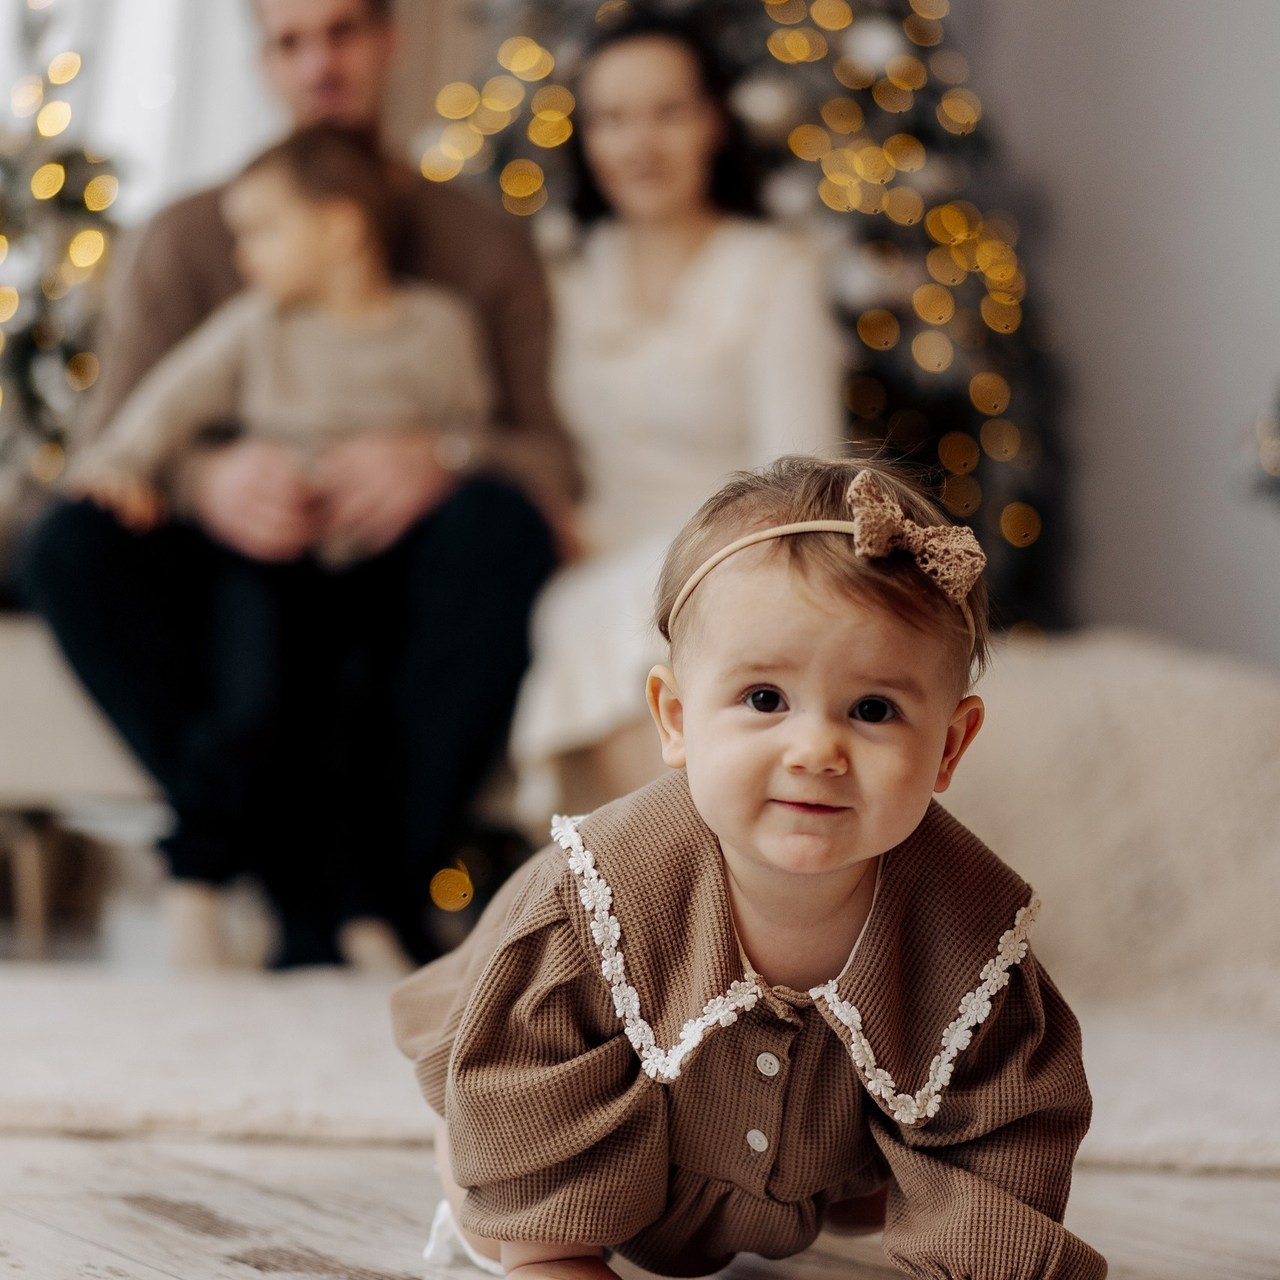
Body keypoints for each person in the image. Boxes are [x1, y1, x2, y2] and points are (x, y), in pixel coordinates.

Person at [391, 454, 1107, 1279]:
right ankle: (509, 1215)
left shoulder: (969, 939)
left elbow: (1008, 1125)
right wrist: (549, 1253)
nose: (816, 750)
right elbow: (524, 1078)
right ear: (676, 719)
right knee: (493, 1205)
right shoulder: (597, 903)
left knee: (914, 1169)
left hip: (802, 1148)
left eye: (873, 710)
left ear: (949, 746)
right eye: (765, 699)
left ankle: (809, 1185)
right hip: (578, 1122)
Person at [16, 0, 580, 969]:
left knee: (503, 526)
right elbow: (123, 443)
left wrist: (443, 457)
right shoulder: (193, 238)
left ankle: (358, 884)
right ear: (262, 61)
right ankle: (310, 884)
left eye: (343, 31)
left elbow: (546, 460)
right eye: (290, 41)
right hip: (241, 561)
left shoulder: (477, 249)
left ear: (390, 42)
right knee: (68, 541)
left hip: (401, 563)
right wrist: (207, 479)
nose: (320, 63)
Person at [507, 10, 846, 822]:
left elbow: (806, 483)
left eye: (668, 112)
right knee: (576, 617)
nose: (640, 144)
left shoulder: (772, 272)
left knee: (626, 632)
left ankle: (683, 870)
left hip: (733, 558)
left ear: (713, 123)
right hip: (589, 559)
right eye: (612, 119)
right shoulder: (563, 274)